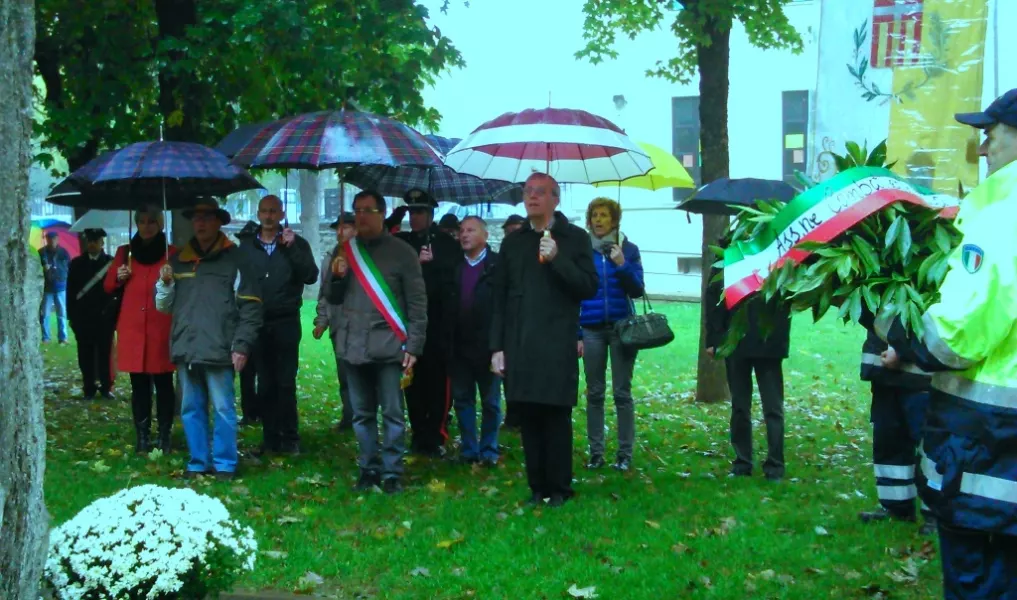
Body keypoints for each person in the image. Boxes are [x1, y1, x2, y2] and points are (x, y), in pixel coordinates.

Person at [871, 89, 1017, 599]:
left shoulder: (1003, 215)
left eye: (990, 134)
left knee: (982, 581)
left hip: (992, 446)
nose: (981, 149)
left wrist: (893, 322)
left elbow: (954, 336)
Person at [490, 172, 598, 507]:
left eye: (540, 192)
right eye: (527, 191)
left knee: (555, 415)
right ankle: (537, 486)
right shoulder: (513, 242)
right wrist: (497, 348)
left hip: (556, 340)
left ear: (555, 198)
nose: (532, 197)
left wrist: (557, 259)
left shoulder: (575, 238)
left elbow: (587, 287)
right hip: (519, 341)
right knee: (527, 415)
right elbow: (499, 298)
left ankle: (560, 487)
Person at [327, 190, 427, 494]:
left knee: (393, 413)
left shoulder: (402, 252)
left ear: (382, 214)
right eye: (357, 210)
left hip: (388, 344)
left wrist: (414, 346)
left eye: (368, 210)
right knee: (361, 414)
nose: (361, 216)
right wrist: (337, 277)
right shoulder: (343, 251)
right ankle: (368, 468)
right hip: (352, 344)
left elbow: (418, 303)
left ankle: (392, 471)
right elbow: (333, 298)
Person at [155, 198, 262, 479]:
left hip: (220, 348)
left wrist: (241, 346)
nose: (200, 223)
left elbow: (251, 307)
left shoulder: (236, 258)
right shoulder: (177, 260)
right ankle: (198, 461)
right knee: (191, 408)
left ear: (218, 222)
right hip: (187, 346)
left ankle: (225, 463)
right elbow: (164, 306)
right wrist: (164, 285)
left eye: (207, 217)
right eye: (196, 218)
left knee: (224, 408)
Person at [236, 195, 319, 456]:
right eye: (264, 211)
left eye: (274, 211)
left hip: (286, 321)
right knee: (265, 383)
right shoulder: (248, 246)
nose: (269, 216)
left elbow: (311, 275)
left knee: (285, 383)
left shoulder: (296, 243)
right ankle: (269, 439)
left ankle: (290, 437)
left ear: (282, 214)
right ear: (258, 214)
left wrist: (292, 248)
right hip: (258, 322)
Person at [705, 233, 791, 481]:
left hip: (769, 340)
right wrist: (714, 338)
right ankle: (743, 463)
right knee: (740, 406)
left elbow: (789, 293)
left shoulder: (781, 246)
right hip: (737, 340)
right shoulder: (730, 250)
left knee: (772, 407)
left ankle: (775, 464)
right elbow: (715, 295)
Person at [579, 198, 645, 471]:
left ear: (615, 220)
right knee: (594, 392)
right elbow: (575, 290)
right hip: (591, 328)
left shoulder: (628, 249)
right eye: (594, 215)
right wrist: (577, 333)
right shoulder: (582, 250)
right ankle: (596, 452)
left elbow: (637, 289)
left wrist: (621, 263)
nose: (598, 220)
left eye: (604, 215)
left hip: (622, 329)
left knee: (622, 392)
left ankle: (624, 454)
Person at [105, 208, 178, 454]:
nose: (146, 226)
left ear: (159, 224)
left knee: (164, 383)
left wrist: (171, 278)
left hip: (161, 327)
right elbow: (107, 286)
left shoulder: (171, 254)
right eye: (142, 222)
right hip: (133, 328)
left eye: (151, 222)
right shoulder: (125, 253)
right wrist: (118, 275)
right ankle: (143, 437)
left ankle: (165, 435)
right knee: (139, 386)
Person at [395, 188, 459, 457]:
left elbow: (454, 283)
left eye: (420, 212)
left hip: (438, 326)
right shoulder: (403, 245)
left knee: (438, 382)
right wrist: (417, 265)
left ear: (431, 214)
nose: (415, 217)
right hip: (410, 325)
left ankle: (437, 433)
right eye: (411, 212)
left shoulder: (445, 244)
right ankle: (419, 432)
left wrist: (433, 266)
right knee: (413, 382)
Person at [856, 327, 936, 536]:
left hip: (920, 376)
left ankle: (935, 515)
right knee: (888, 442)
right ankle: (895, 506)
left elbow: (928, 316)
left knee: (930, 448)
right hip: (885, 374)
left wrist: (902, 351)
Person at [444, 216, 502, 466]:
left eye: (470, 230)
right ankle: (469, 448)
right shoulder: (454, 265)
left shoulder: (497, 265)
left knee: (490, 401)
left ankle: (489, 448)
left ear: (485, 235)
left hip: (488, 345)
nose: (464, 235)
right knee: (463, 399)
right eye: (461, 231)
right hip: (460, 345)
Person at [313, 212, 356, 432]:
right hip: (338, 325)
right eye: (338, 228)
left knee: (361, 373)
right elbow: (324, 292)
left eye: (346, 227)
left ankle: (363, 416)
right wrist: (322, 320)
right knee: (344, 374)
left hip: (361, 325)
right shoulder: (330, 257)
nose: (341, 232)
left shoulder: (363, 256)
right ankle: (349, 415)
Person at [66, 228, 117, 400]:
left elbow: (116, 291)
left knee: (104, 353)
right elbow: (70, 292)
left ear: (102, 243)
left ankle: (106, 387)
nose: (92, 244)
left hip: (104, 317)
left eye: (95, 241)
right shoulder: (76, 264)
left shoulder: (111, 263)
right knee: (85, 354)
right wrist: (71, 316)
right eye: (90, 241)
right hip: (83, 317)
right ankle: (88, 387)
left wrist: (112, 314)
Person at [499, 213, 526, 431]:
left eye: (516, 230)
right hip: (509, 320)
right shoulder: (505, 253)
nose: (512, 235)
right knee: (509, 372)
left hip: (530, 322)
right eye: (508, 231)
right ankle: (513, 414)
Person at [235, 220, 261, 427]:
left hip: (263, 322)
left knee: (263, 372)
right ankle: (249, 412)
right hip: (242, 323)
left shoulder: (262, 260)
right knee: (246, 373)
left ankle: (260, 410)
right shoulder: (237, 261)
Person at [39, 230, 71, 344]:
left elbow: (68, 267)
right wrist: (43, 268)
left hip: (61, 286)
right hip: (46, 288)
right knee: (45, 313)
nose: (51, 241)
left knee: (62, 313)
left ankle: (63, 337)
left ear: (57, 239)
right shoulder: (41, 253)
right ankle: (46, 337)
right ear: (46, 239)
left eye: (54, 238)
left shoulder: (64, 252)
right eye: (49, 238)